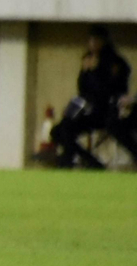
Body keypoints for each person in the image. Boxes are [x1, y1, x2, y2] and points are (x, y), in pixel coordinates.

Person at [50, 25, 130, 169]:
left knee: (67, 129)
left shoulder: (115, 63)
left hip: (104, 112)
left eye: (96, 40)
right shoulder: (88, 59)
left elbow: (107, 91)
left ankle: (77, 162)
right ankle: (89, 161)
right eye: (90, 40)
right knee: (58, 131)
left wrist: (92, 73)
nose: (92, 44)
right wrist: (85, 72)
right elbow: (83, 90)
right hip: (86, 110)